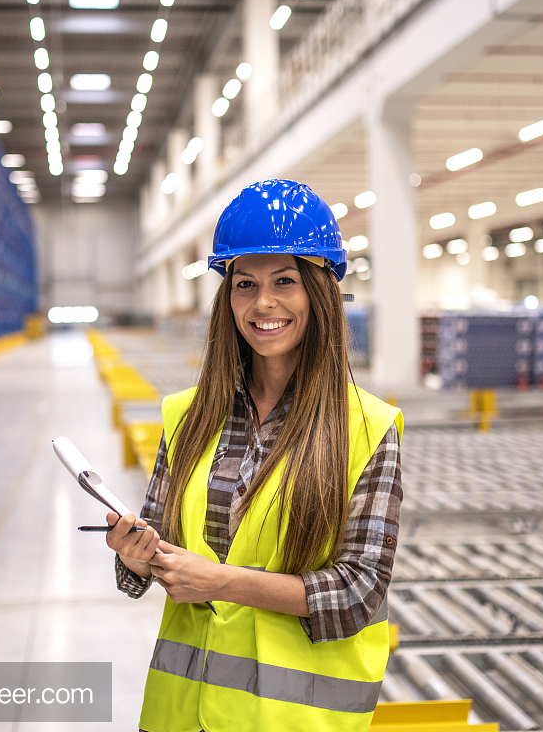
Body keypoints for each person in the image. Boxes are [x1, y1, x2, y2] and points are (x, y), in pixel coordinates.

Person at [105, 179, 403, 732]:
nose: (263, 303)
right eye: (245, 284)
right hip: (179, 716)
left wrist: (222, 582)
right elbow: (150, 558)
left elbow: (357, 593)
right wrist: (135, 555)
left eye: (284, 282)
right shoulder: (187, 417)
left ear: (319, 293)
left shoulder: (368, 428)